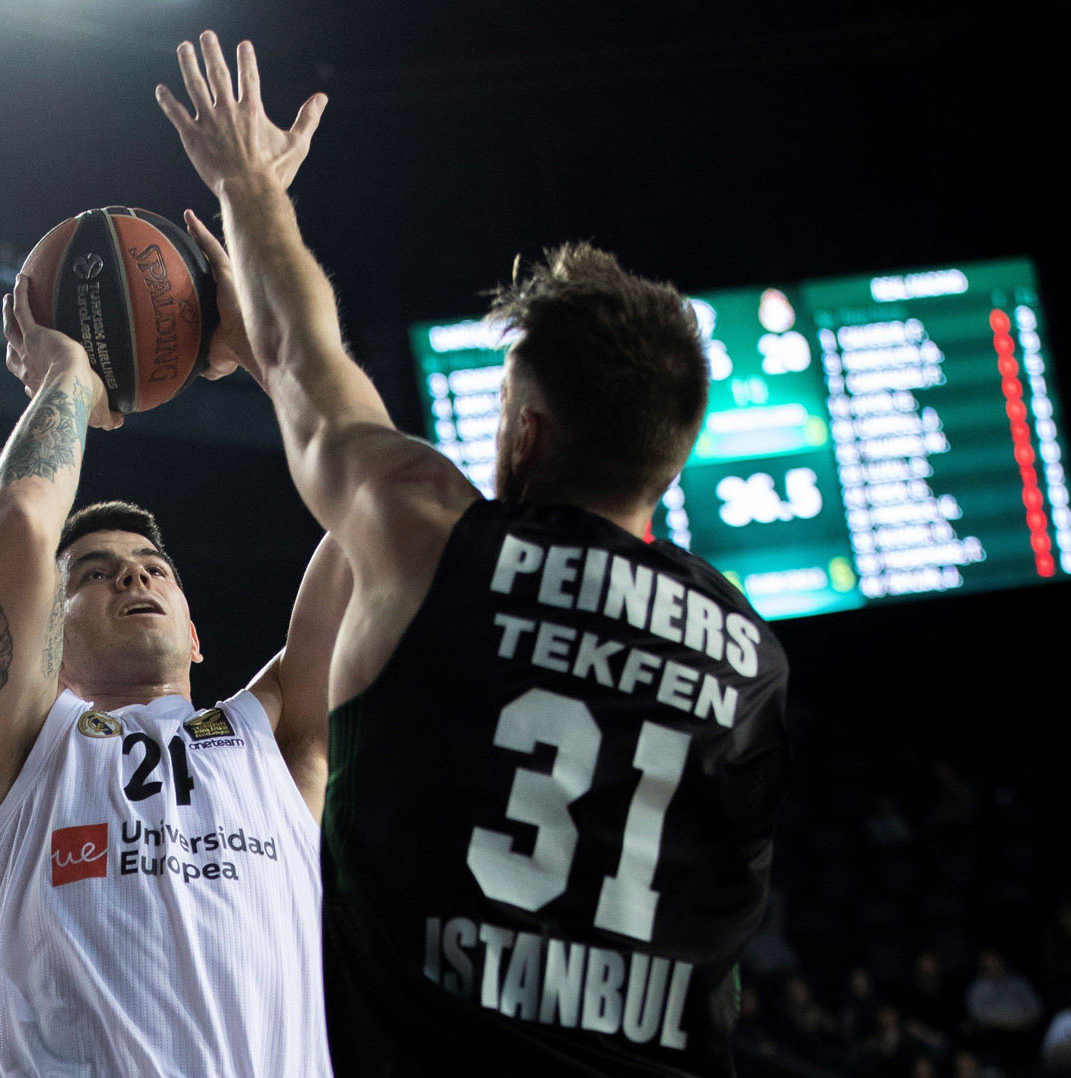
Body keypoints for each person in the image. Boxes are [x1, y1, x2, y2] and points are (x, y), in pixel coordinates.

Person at [158, 31, 790, 1075]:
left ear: (526, 434)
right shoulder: (750, 656)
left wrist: (250, 183)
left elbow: (315, 370)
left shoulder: (430, 538)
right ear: (668, 457)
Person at [0, 231, 347, 1073]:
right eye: (95, 574)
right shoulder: (26, 750)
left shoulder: (277, 734)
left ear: (194, 632)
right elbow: (20, 525)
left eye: (153, 567)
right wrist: (67, 380)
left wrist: (268, 351)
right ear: (47, 642)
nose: (134, 578)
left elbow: (381, 518)